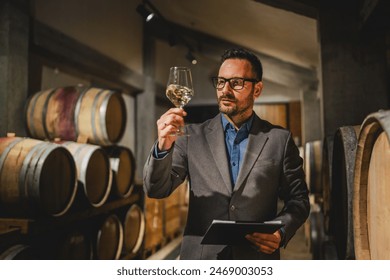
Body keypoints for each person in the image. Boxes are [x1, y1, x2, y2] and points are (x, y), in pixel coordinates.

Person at [143, 48, 310, 260]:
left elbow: (299, 200)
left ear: (257, 89)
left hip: (256, 260)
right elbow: (156, 189)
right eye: (221, 82)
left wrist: (281, 231)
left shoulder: (280, 139)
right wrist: (163, 146)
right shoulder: (191, 136)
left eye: (236, 82)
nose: (225, 90)